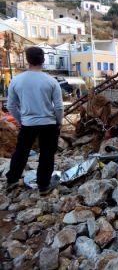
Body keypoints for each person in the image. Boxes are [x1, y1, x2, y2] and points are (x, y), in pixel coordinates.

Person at [6, 47, 64, 195]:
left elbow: (11, 105)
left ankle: (12, 180)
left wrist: (21, 120)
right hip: (49, 123)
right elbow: (58, 106)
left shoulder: (16, 80)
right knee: (47, 154)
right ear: (43, 60)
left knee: (21, 152)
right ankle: (43, 186)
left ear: (27, 59)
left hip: (28, 124)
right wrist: (59, 122)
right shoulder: (51, 81)